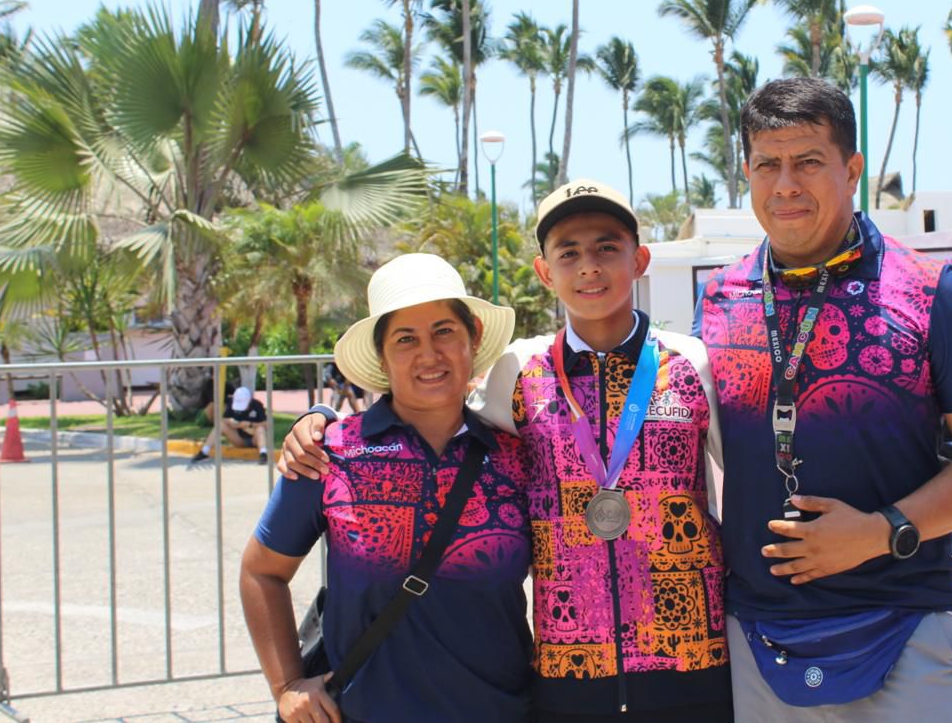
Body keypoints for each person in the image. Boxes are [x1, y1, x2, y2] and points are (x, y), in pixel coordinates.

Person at [280, 182, 732, 721]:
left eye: (607, 247)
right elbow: (436, 406)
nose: (589, 266)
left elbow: (750, 482)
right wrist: (322, 422)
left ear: (639, 260)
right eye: (568, 252)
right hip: (569, 676)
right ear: (545, 272)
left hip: (692, 661)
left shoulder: (692, 363)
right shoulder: (519, 370)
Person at [696, 77, 952, 720]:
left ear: (851, 170)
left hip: (903, 622)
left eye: (808, 162)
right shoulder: (720, 298)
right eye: (766, 164)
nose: (785, 184)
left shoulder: (932, 293)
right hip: (756, 633)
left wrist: (880, 531)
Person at [239, 254, 532, 722]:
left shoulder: (518, 457)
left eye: (444, 331)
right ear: (381, 355)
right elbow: (261, 572)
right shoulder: (328, 452)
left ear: (473, 336)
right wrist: (287, 685)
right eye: (405, 339)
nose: (429, 354)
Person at [192, 386, 268, 465]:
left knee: (260, 429)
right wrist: (230, 421)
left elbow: (266, 424)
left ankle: (263, 454)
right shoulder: (231, 403)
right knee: (220, 425)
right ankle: (204, 452)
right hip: (239, 439)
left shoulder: (257, 405)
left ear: (249, 400)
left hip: (254, 439)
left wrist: (250, 424)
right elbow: (223, 419)